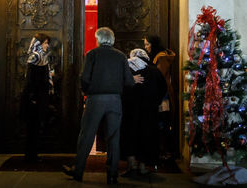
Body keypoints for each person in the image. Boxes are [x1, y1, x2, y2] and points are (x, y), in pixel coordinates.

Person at [63, 27, 134, 184]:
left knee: (87, 135)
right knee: (113, 137)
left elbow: (85, 77)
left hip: (95, 99)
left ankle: (78, 171)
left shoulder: (92, 54)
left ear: (98, 39)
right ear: (112, 39)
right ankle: (112, 174)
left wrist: (85, 91)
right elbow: (129, 81)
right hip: (115, 100)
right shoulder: (121, 56)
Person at [120, 48, 167, 176]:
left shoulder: (125, 69)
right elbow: (163, 88)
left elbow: (118, 86)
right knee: (146, 137)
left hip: (128, 111)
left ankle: (131, 166)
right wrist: (155, 102)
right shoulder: (154, 71)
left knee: (129, 137)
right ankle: (143, 166)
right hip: (148, 112)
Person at [21, 32, 52, 163]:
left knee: (37, 126)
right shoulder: (34, 58)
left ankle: (34, 154)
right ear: (39, 44)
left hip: (40, 97)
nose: (47, 45)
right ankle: (30, 155)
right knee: (32, 126)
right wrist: (33, 97)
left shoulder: (43, 58)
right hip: (33, 99)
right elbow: (30, 80)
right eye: (45, 43)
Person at [144, 35, 176, 159]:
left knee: (162, 122)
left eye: (147, 44)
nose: (146, 47)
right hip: (160, 93)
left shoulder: (161, 57)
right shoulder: (159, 56)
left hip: (162, 94)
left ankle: (163, 151)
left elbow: (159, 77)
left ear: (153, 44)